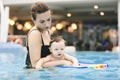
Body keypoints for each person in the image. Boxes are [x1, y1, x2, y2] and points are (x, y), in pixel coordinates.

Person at [25, 2, 73, 68]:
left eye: (48, 19)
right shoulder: (35, 34)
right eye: (42, 21)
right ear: (33, 20)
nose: (47, 24)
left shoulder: (47, 31)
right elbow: (35, 65)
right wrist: (63, 62)